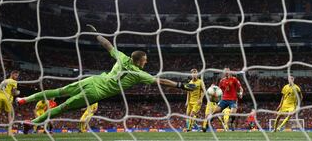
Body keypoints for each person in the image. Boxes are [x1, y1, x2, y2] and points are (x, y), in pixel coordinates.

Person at [16, 25, 195, 134]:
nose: (147, 62)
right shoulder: (140, 74)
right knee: (62, 107)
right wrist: (180, 85)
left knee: (58, 92)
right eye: (145, 60)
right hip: (95, 92)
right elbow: (161, 81)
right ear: (140, 61)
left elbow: (107, 44)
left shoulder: (122, 57)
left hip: (91, 80)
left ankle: (24, 100)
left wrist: (96, 34)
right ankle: (31, 123)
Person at [0, 70, 20, 135]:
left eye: (17, 76)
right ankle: (9, 132)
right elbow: (13, 92)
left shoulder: (4, 81)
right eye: (16, 75)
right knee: (9, 114)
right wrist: (17, 93)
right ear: (12, 74)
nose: (17, 77)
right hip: (7, 97)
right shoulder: (14, 81)